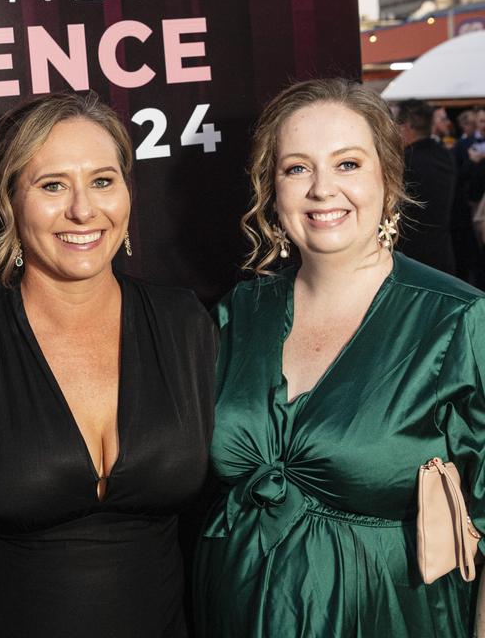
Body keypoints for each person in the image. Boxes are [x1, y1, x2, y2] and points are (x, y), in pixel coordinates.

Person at [0, 92, 216, 638]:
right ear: (10, 201)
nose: (83, 209)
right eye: (52, 185)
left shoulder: (186, 325)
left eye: (103, 181)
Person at [194, 79, 485, 637]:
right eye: (297, 168)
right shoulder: (239, 313)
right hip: (235, 607)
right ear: (271, 188)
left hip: (389, 616)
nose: (323, 190)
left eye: (347, 164)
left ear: (388, 179)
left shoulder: (458, 320)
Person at [395, 98, 457, 274]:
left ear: (406, 126)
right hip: (443, 254)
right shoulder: (445, 155)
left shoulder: (405, 161)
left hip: (411, 259)